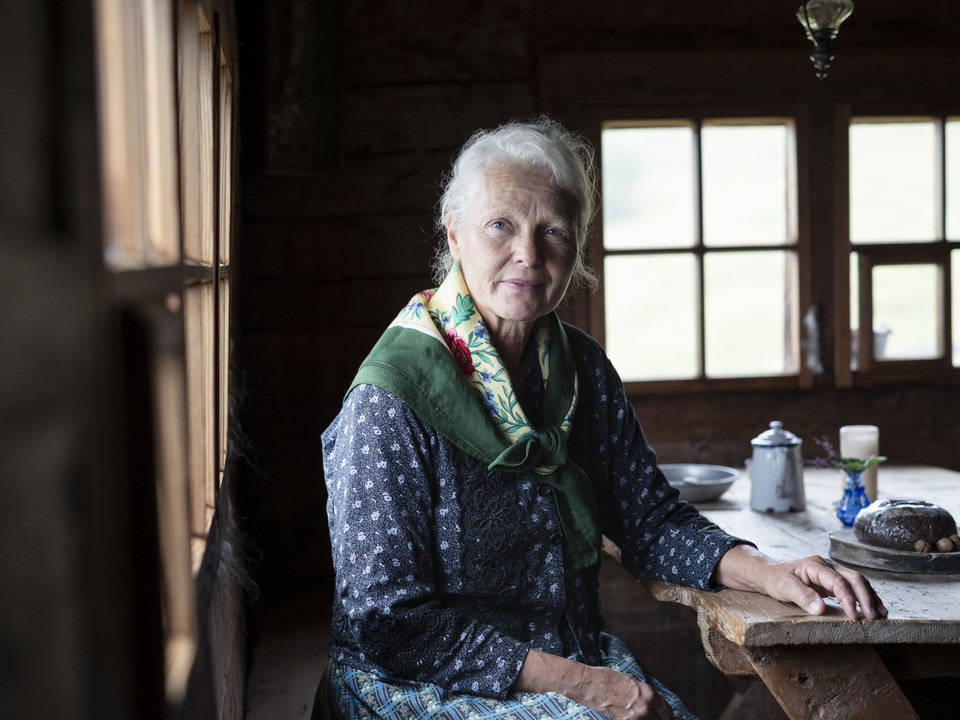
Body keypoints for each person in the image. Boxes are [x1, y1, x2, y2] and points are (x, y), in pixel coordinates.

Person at [316, 116, 886, 720]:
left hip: (570, 658)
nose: (528, 254)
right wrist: (588, 687)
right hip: (418, 683)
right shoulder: (391, 397)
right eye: (500, 226)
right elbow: (388, 624)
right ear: (455, 235)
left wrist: (770, 572)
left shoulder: (579, 367)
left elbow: (647, 521)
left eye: (554, 231)